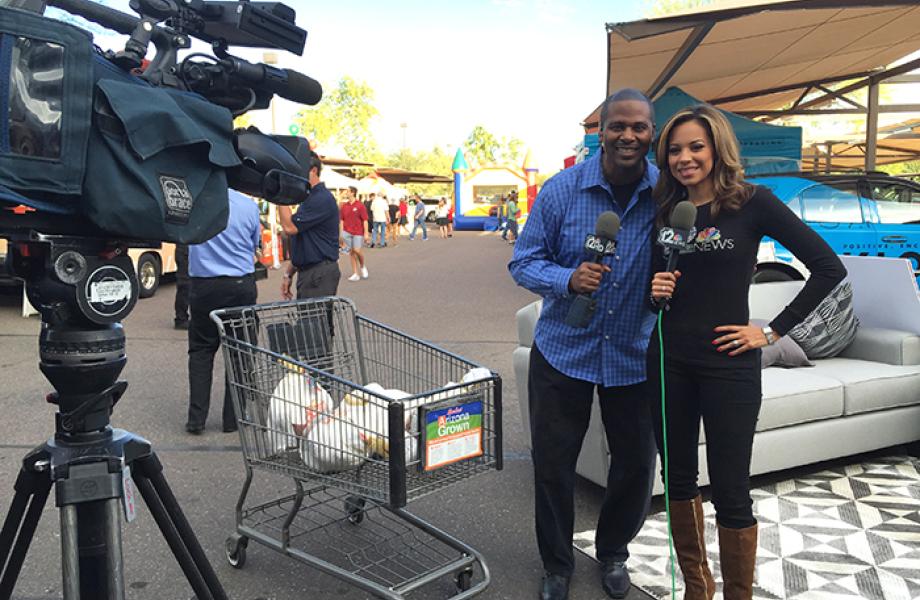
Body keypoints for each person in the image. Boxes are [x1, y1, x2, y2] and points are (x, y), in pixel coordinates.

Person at [647, 104, 845, 600]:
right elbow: (654, 293)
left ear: (717, 149)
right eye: (674, 149)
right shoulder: (668, 211)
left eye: (696, 146)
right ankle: (698, 586)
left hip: (728, 366)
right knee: (677, 479)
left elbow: (828, 267)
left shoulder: (752, 202)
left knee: (732, 489)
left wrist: (773, 331)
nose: (684, 158)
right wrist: (655, 290)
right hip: (668, 358)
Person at [508, 88, 660, 600]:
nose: (628, 136)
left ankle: (614, 550)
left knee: (637, 464)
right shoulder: (561, 190)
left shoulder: (669, 195)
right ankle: (556, 564)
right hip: (563, 350)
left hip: (635, 353)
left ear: (651, 134)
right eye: (618, 125)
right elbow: (523, 261)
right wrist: (567, 278)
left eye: (639, 127)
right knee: (553, 464)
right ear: (601, 132)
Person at [185, 189, 261, 435]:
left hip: (204, 284)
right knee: (238, 352)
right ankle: (233, 418)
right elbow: (254, 245)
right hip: (239, 284)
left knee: (201, 351)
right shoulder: (248, 206)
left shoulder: (194, 201)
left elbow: (184, 237)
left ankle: (196, 419)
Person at [278, 151, 341, 300]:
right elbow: (306, 243)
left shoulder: (320, 198)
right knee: (312, 321)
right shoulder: (311, 198)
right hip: (312, 272)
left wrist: (280, 193)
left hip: (318, 273)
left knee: (312, 322)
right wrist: (288, 274)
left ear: (313, 171)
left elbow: (290, 227)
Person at [339, 185, 369, 282]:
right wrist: (341, 233)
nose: (346, 193)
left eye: (347, 191)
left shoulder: (360, 205)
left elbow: (365, 220)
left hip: (358, 232)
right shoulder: (344, 206)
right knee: (351, 252)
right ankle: (355, 273)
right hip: (347, 231)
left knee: (357, 250)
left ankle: (362, 265)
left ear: (352, 193)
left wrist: (366, 233)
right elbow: (342, 220)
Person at [173, 243, 190, 329]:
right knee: (185, 285)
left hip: (184, 248)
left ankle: (181, 318)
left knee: (184, 285)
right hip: (186, 249)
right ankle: (181, 318)